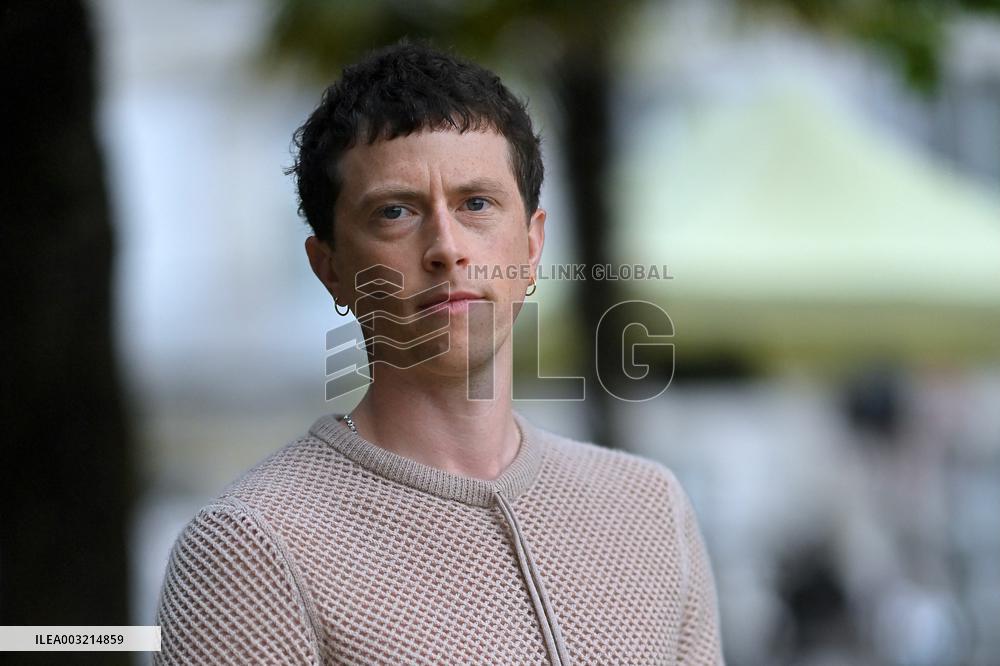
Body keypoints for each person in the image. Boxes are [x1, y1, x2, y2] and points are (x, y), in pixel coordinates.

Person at [153, 40, 724, 665]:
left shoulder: (649, 508)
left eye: (476, 204)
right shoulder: (252, 549)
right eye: (395, 212)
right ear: (330, 269)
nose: (446, 248)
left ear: (532, 247)